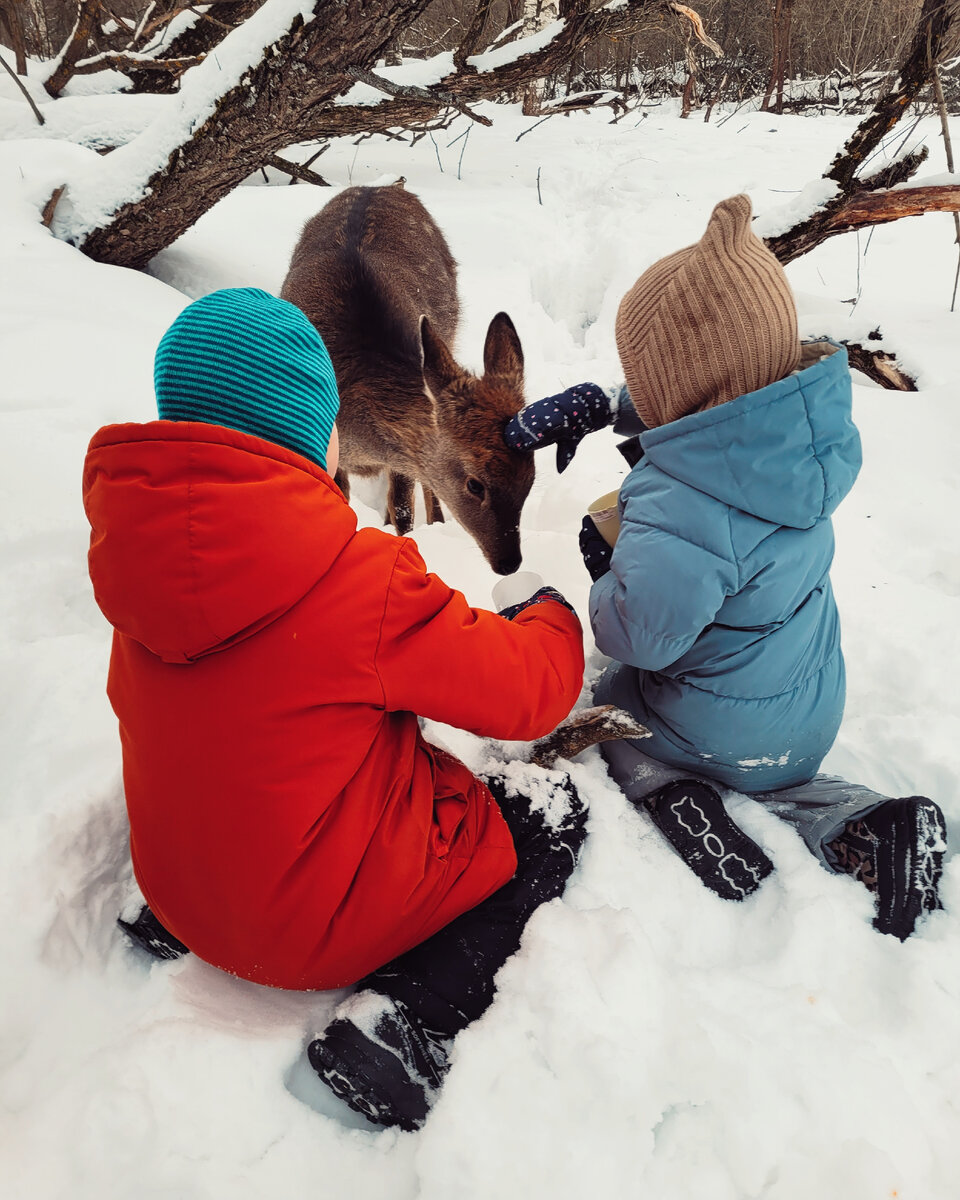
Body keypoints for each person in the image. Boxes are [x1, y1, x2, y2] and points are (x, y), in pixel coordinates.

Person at [83, 287, 587, 1131]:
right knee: (542, 824)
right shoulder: (360, 578)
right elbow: (531, 695)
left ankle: (197, 915)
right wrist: (547, 611)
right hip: (312, 932)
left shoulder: (135, 567)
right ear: (320, 433)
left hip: (180, 889)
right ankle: (409, 1023)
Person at [504, 195, 946, 939]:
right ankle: (865, 822)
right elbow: (718, 416)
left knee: (611, 716)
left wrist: (607, 573)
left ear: (682, 388)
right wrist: (610, 407)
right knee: (779, 771)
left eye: (642, 381)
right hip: (811, 713)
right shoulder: (802, 438)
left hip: (711, 730)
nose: (637, 392)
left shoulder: (680, 503)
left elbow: (639, 639)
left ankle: (676, 792)